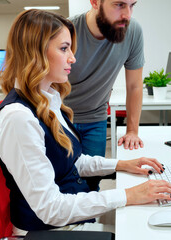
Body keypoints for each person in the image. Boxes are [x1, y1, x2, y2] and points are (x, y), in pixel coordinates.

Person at [0, 9, 171, 236]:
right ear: (35, 53)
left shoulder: (47, 100)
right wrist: (128, 195)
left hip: (67, 218)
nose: (73, 58)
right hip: (49, 229)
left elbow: (72, 163)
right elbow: (51, 209)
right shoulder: (18, 118)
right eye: (63, 48)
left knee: (149, 214)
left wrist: (120, 165)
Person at [65, 0, 145, 191]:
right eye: (119, 4)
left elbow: (134, 86)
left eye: (132, 5)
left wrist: (132, 131)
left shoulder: (132, 31)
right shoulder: (67, 30)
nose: (127, 14)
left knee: (92, 182)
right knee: (64, 181)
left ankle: (90, 221)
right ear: (94, 2)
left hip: (96, 118)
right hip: (61, 117)